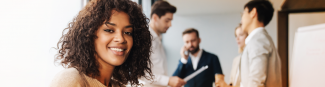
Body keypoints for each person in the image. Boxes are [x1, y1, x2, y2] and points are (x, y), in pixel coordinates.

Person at [50, 0, 153, 87]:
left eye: (128, 32)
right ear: (89, 34)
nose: (121, 39)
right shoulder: (71, 80)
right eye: (109, 30)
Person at [235, 0, 282, 87]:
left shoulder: (258, 40)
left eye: (243, 14)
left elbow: (256, 81)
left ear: (253, 12)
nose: (241, 20)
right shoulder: (260, 39)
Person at [139, 0, 182, 87]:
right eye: (167, 20)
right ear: (155, 17)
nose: (170, 25)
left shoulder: (158, 39)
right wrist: (168, 80)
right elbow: (140, 74)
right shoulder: (144, 39)